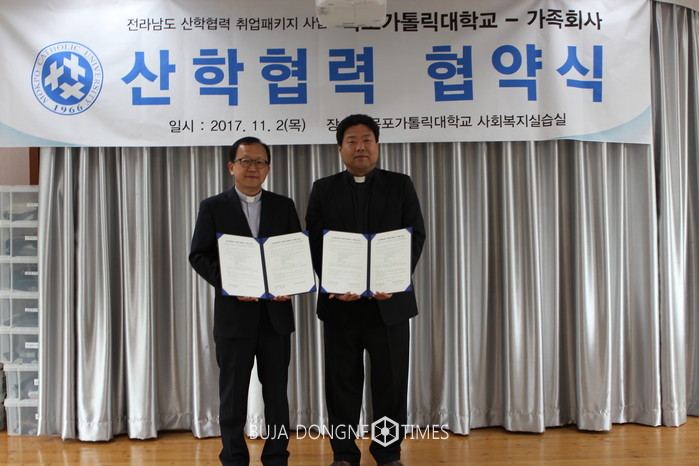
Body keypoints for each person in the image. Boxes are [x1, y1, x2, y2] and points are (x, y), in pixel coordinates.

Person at [305, 114, 426, 466]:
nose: (360, 147)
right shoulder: (323, 189)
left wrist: (393, 280)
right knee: (341, 385)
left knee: (391, 385)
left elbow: (415, 235)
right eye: (352, 141)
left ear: (377, 145)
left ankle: (388, 452)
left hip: (389, 306)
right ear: (340, 148)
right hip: (340, 306)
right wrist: (333, 283)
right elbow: (314, 241)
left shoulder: (400, 185)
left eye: (367, 140)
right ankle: (344, 454)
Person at [190, 136, 300, 466]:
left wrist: (291, 283)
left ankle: (277, 456)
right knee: (233, 396)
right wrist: (231, 283)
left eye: (260, 162)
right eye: (246, 161)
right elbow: (199, 255)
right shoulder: (213, 207)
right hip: (234, 316)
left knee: (277, 396)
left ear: (268, 169)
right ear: (231, 167)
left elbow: (295, 254)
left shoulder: (284, 206)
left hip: (275, 317)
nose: (253, 167)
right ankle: (234, 458)